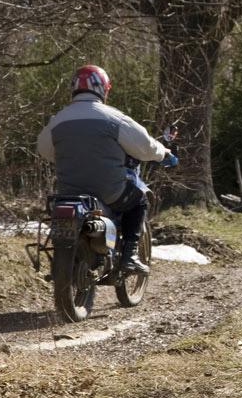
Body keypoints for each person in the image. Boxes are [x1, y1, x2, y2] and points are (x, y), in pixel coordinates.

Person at [38, 65, 175, 275]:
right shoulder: (114, 118)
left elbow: (45, 150)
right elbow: (146, 147)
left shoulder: (57, 120)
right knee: (139, 201)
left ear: (73, 88)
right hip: (109, 193)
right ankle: (129, 257)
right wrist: (164, 153)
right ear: (103, 89)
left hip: (68, 194)